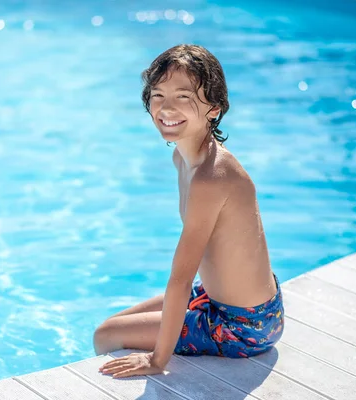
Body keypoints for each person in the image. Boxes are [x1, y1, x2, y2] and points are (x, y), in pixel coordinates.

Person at [94, 44, 284, 379]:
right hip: (219, 299)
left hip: (244, 325)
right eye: (157, 95)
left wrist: (157, 360)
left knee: (105, 337)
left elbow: (181, 278)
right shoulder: (182, 158)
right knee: (112, 325)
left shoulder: (212, 178)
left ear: (213, 108)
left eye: (183, 97)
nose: (166, 108)